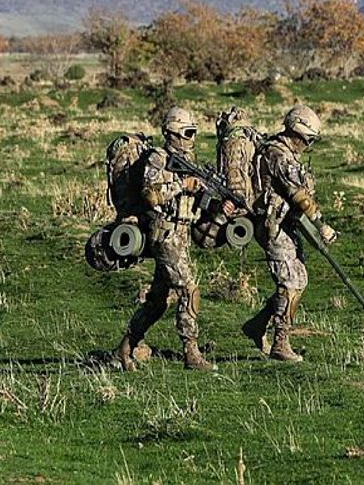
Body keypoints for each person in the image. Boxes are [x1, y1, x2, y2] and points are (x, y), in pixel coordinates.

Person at [114, 107, 216, 372]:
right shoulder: (158, 158)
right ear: (173, 133)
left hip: (181, 234)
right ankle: (191, 352)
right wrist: (183, 186)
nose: (192, 138)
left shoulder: (189, 163)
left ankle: (124, 349)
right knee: (189, 290)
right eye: (188, 132)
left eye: (194, 132)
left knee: (158, 300)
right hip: (165, 234)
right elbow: (150, 195)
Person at [241, 104, 338, 361]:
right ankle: (280, 343)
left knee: (300, 279)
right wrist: (321, 225)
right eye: (308, 140)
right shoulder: (279, 155)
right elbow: (299, 196)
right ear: (296, 132)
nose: (309, 146)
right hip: (272, 226)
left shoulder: (282, 151)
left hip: (286, 224)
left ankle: (258, 325)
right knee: (289, 283)